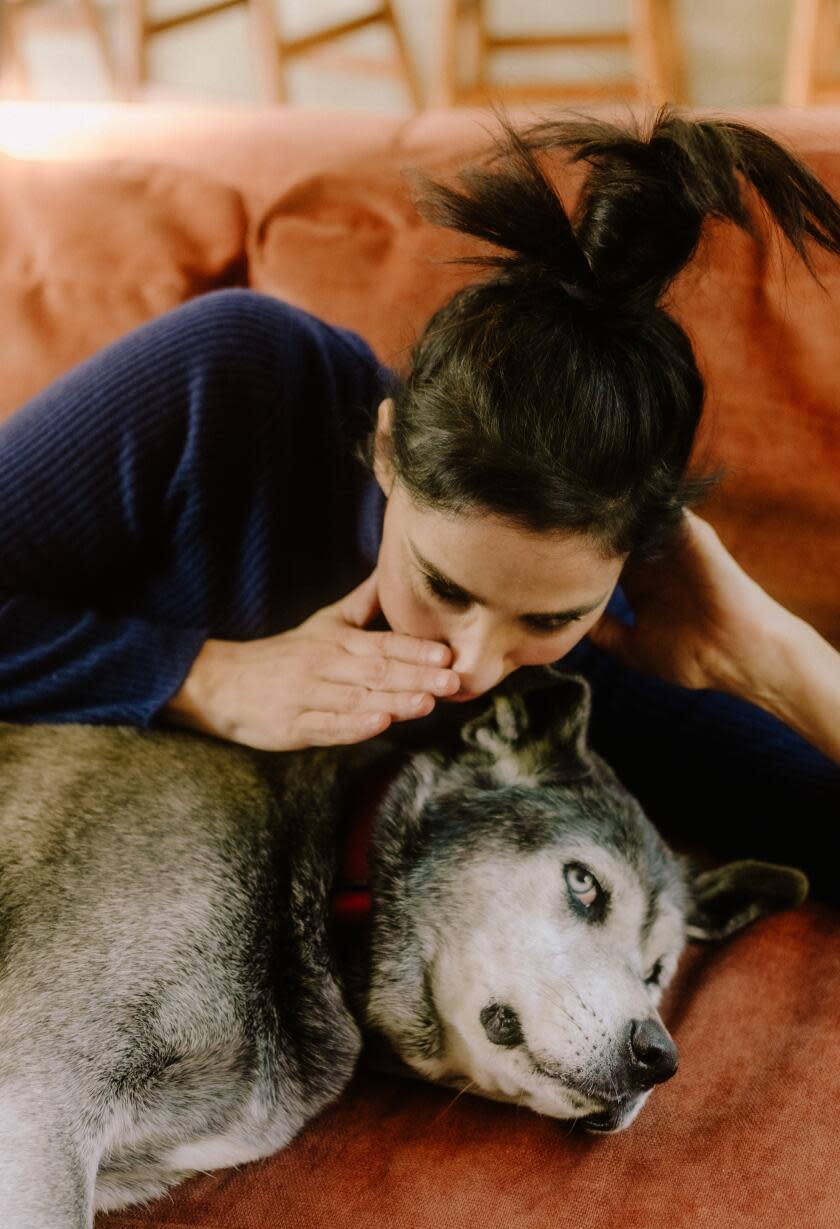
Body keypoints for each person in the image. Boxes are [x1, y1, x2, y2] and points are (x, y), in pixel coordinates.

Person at [0, 108, 838, 887]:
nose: (472, 667)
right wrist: (206, 678)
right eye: (442, 585)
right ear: (390, 451)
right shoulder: (238, 379)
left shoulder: (601, 646)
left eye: (546, 619)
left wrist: (777, 661)